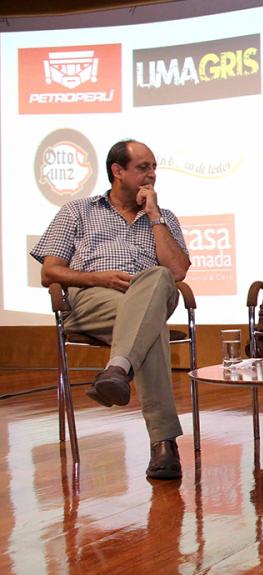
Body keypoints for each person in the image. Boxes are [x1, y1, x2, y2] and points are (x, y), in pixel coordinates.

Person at [31, 139, 191, 479]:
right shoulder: (78, 210)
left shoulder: (165, 217)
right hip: (95, 296)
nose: (152, 176)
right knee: (152, 330)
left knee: (159, 277)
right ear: (117, 171)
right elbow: (51, 271)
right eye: (143, 168)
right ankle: (164, 444)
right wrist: (97, 278)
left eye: (154, 168)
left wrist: (155, 218)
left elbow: (177, 273)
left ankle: (117, 368)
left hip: (153, 293)